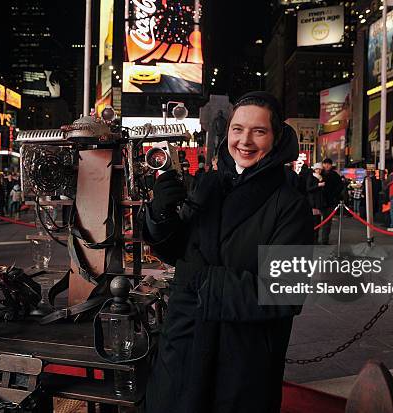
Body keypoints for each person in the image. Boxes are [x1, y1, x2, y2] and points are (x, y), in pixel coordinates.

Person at [143, 91, 314, 413]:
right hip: (183, 345)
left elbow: (285, 292)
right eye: (238, 129)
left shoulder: (291, 205)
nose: (245, 141)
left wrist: (200, 282)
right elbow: (178, 252)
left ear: (276, 139)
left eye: (259, 131)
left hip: (242, 361)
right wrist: (161, 213)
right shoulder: (209, 185)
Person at [319, 158, 342, 245]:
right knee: (316, 221)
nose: (327, 165)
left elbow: (340, 187)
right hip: (319, 201)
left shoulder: (335, 175)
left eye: (328, 164)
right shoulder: (319, 174)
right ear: (323, 164)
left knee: (327, 222)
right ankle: (314, 238)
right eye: (325, 163)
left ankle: (325, 240)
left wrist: (334, 196)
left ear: (331, 165)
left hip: (330, 202)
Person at [306, 162, 325, 244]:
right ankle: (313, 240)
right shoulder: (311, 176)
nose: (319, 171)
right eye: (317, 169)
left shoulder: (321, 177)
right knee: (314, 222)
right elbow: (308, 188)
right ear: (314, 169)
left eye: (320, 169)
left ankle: (316, 239)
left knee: (318, 222)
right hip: (313, 203)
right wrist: (318, 185)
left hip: (319, 202)